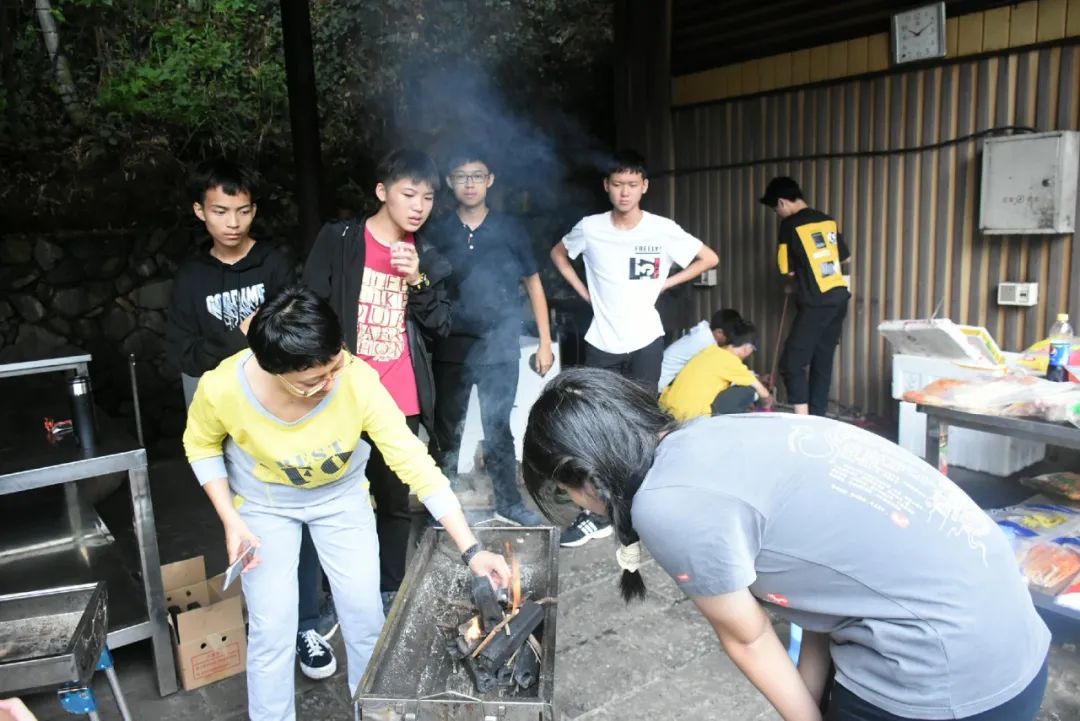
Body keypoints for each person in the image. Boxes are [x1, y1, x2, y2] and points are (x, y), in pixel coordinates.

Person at [522, 368, 1050, 721]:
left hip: (944, 677)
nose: (581, 506)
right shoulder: (716, 433)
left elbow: (750, 639)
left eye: (568, 492)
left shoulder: (666, 505)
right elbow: (824, 581)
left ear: (587, 475)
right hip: (1012, 641)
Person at [184, 285, 509, 721]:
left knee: (365, 616)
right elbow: (201, 446)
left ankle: (377, 713)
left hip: (340, 499)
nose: (331, 383)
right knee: (271, 630)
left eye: (335, 365)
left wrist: (471, 550)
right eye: (313, 381)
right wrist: (230, 520)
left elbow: (413, 462)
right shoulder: (223, 387)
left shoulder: (356, 379)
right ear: (274, 369)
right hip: (263, 507)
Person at [301, 147, 453, 629]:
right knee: (331, 501)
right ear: (383, 191)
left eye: (428, 197)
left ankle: (390, 590)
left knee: (393, 503)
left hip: (399, 400)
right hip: (339, 397)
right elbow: (309, 306)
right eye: (409, 194)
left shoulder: (426, 253)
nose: (419, 206)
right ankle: (332, 596)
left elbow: (441, 325)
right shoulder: (341, 240)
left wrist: (418, 280)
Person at [549, 149, 718, 547]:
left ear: (644, 186)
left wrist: (666, 283)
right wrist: (584, 292)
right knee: (597, 424)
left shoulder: (662, 229)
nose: (624, 192)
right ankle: (596, 511)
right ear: (606, 187)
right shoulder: (590, 228)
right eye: (617, 184)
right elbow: (558, 254)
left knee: (644, 425)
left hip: (645, 340)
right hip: (601, 341)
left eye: (632, 184)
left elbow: (708, 258)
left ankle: (642, 506)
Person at [425, 145, 551, 526]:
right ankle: (441, 508)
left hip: (500, 345)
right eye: (462, 177)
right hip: (450, 345)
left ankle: (508, 503)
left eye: (477, 176)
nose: (470, 184)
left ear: (489, 180)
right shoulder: (437, 230)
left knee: (499, 429)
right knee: (447, 430)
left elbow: (534, 283)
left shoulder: (510, 228)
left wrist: (545, 342)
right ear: (450, 182)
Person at [166, 158, 294, 406]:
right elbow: (182, 356)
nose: (233, 223)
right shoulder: (191, 277)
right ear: (200, 211)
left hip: (274, 401)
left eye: (243, 211)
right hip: (215, 404)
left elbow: (293, 337)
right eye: (220, 212)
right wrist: (241, 335)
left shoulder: (274, 263)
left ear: (253, 211)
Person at [760, 176, 850, 417]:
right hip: (839, 297)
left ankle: (803, 421)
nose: (778, 214)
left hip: (816, 302)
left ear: (782, 202)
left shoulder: (789, 225)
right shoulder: (827, 220)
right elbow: (846, 258)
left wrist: (796, 280)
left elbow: (786, 269)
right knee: (822, 360)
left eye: (775, 209)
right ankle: (818, 417)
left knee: (791, 364)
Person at [659, 316, 772, 419]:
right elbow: (763, 393)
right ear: (747, 347)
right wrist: (767, 408)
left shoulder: (709, 350)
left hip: (666, 407)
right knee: (749, 390)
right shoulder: (731, 361)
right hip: (689, 416)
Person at [657, 307, 741, 391]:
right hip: (660, 386)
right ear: (719, 332)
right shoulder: (706, 341)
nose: (729, 341)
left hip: (662, 379)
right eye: (729, 337)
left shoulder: (705, 332)